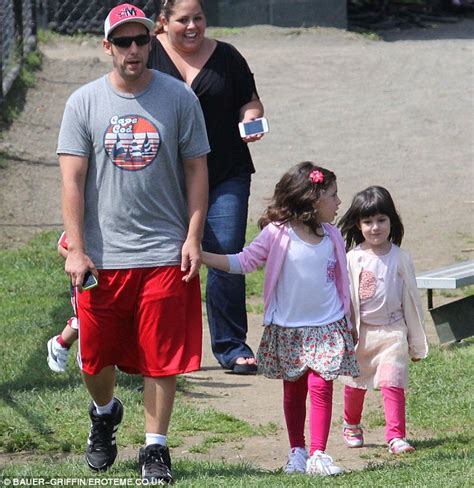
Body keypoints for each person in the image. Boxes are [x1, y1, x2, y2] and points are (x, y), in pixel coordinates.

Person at [57, 3, 210, 484]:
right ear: (108, 47)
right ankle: (104, 413)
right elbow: (72, 181)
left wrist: (192, 236)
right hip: (102, 257)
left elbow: (197, 169)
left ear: (152, 41)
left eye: (141, 40)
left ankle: (155, 450)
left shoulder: (179, 98)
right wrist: (77, 249)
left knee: (161, 357)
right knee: (95, 358)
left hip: (164, 251)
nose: (134, 50)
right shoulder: (83, 103)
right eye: (123, 41)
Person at [201, 162, 359, 476]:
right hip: (289, 329)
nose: (339, 202)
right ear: (313, 201)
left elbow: (343, 281)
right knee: (294, 389)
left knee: (322, 385)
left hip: (328, 326)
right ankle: (297, 452)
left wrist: (350, 318)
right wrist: (201, 255)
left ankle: (318, 455)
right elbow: (245, 261)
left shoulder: (332, 236)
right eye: (333, 195)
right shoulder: (277, 234)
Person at [148, 0, 265, 374]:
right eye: (183, 20)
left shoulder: (227, 56)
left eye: (198, 18)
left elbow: (250, 102)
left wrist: (252, 120)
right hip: (165, 177)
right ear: (163, 22)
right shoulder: (144, 53)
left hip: (225, 172)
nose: (192, 26)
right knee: (166, 259)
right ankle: (169, 346)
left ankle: (231, 346)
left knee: (225, 252)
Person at [338, 186, 428, 455]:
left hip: (392, 332)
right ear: (358, 224)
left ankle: (396, 436)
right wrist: (343, 333)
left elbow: (411, 301)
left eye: (381, 220)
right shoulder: (352, 259)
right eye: (368, 221)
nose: (375, 227)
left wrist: (415, 341)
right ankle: (351, 424)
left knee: (393, 381)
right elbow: (344, 300)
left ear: (392, 221)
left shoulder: (401, 258)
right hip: (361, 334)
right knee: (355, 384)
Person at [47, 232, 79, 373]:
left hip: (118, 276)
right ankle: (60, 344)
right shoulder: (87, 219)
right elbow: (62, 247)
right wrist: (80, 262)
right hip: (86, 280)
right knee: (86, 319)